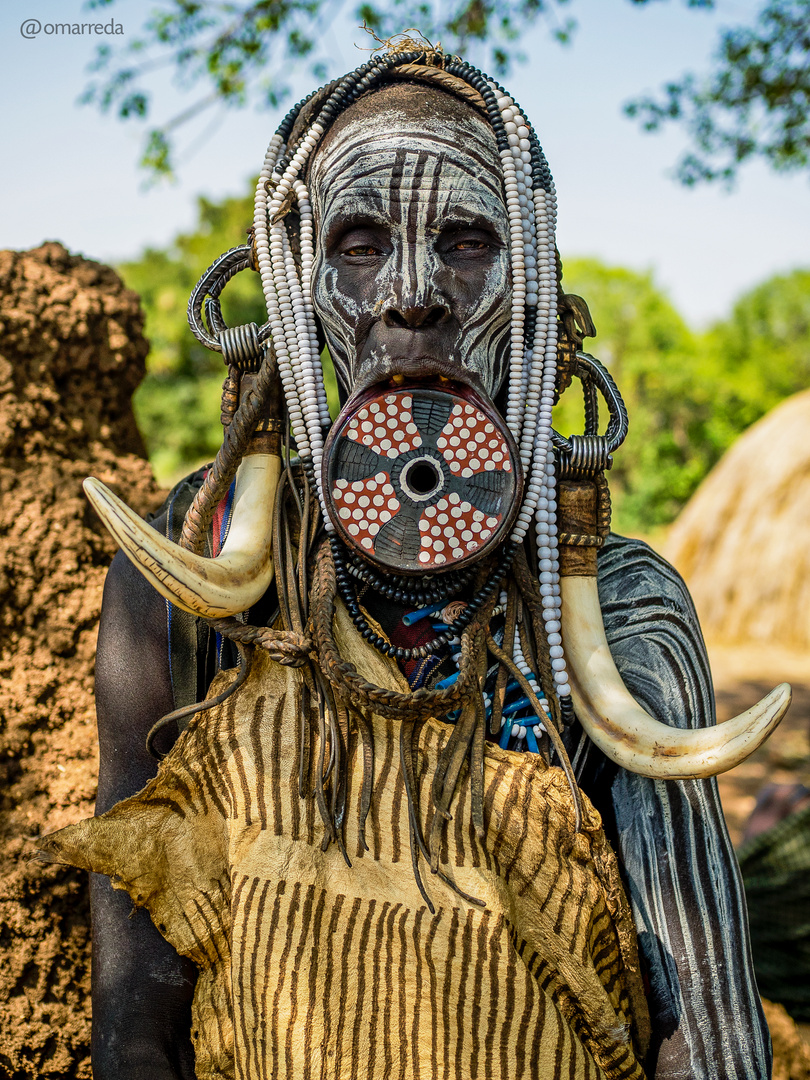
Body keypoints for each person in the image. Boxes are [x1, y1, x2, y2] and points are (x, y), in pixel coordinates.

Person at [41, 41, 789, 1079]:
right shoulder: (190, 576)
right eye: (357, 243)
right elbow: (135, 1033)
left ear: (530, 297)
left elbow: (706, 1039)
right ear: (296, 300)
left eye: (467, 241)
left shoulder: (620, 607)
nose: (413, 294)